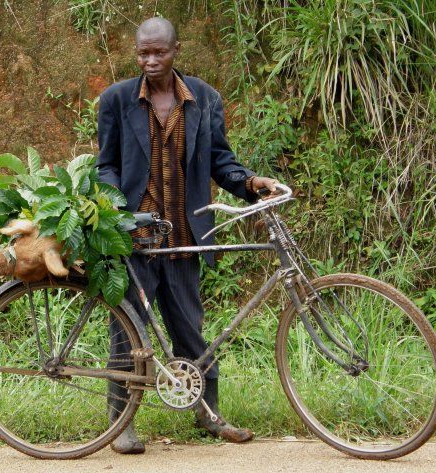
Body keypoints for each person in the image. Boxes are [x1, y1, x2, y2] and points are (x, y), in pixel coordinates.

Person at [96, 17, 278, 454]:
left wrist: (251, 183)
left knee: (191, 331)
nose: (151, 60)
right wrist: (121, 213)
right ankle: (121, 425)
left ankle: (208, 415)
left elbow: (220, 160)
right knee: (129, 334)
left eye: (159, 52)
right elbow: (106, 167)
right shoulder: (116, 100)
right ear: (136, 52)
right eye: (143, 53)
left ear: (176, 49)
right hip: (135, 242)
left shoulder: (203, 98)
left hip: (183, 238)